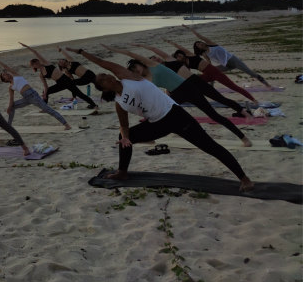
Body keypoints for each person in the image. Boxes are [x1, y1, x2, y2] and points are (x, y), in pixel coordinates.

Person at [64, 47, 254, 192]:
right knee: (124, 137)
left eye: (105, 74)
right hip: (157, 124)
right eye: (102, 78)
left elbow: (102, 62)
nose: (105, 75)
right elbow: (124, 124)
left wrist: (81, 52)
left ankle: (244, 178)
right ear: (104, 88)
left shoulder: (128, 77)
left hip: (175, 115)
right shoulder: (119, 102)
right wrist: (125, 137)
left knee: (209, 146)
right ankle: (122, 172)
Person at [102, 45, 252, 147]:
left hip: (189, 88)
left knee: (213, 115)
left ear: (141, 64)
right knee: (155, 114)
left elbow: (132, 54)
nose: (136, 70)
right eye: (133, 70)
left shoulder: (154, 65)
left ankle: (243, 137)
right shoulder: (144, 80)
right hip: (176, 94)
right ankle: (149, 137)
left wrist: (115, 49)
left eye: (136, 67)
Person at [163, 38, 258, 102]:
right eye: (177, 57)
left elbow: (179, 47)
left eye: (180, 55)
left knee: (233, 87)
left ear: (182, 54)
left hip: (214, 71)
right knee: (189, 83)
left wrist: (170, 42)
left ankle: (253, 100)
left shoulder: (189, 54)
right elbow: (183, 72)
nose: (179, 56)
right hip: (206, 74)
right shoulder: (184, 64)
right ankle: (172, 95)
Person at [0, 56, 71, 130]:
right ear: (4, 79)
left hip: (33, 96)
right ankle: (8, 125)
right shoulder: (10, 87)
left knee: (48, 110)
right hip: (26, 98)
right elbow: (11, 99)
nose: (6, 74)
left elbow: (5, 66)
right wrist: (9, 107)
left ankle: (66, 124)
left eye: (6, 73)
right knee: (12, 106)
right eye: (4, 75)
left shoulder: (16, 75)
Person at [184, 24, 272, 89]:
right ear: (198, 48)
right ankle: (211, 87)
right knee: (211, 72)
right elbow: (208, 63)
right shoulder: (204, 54)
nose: (200, 44)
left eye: (199, 42)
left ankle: (267, 84)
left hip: (233, 60)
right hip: (225, 65)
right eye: (198, 45)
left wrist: (190, 29)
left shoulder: (211, 44)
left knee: (250, 73)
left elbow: (200, 36)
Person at [19, 42, 98, 109]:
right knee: (46, 91)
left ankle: (93, 105)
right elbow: (45, 86)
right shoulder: (41, 75)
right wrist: (45, 94)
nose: (37, 63)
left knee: (80, 94)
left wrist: (26, 46)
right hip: (59, 83)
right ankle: (44, 107)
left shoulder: (47, 64)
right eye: (35, 64)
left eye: (37, 62)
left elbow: (35, 52)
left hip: (66, 80)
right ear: (34, 66)